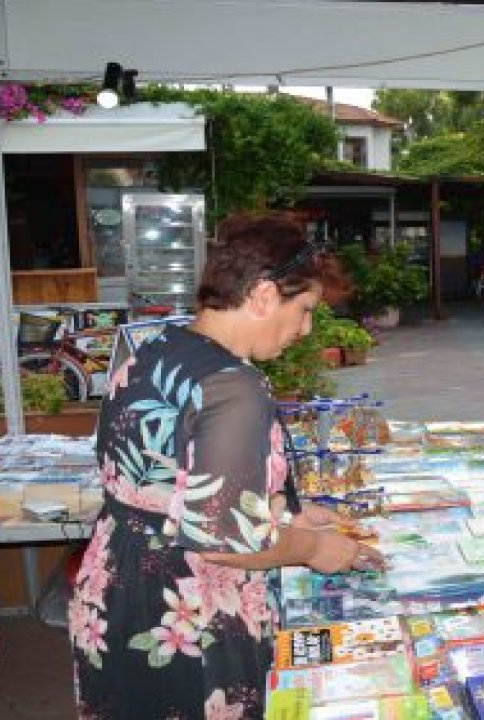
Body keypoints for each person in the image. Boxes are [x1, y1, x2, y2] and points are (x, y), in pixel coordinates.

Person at [68, 213, 385, 719]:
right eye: (303, 310)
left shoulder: (158, 348)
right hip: (185, 610)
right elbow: (223, 544)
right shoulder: (233, 386)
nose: (305, 330)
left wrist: (283, 512)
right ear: (263, 295)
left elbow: (172, 477)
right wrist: (314, 548)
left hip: (117, 586)